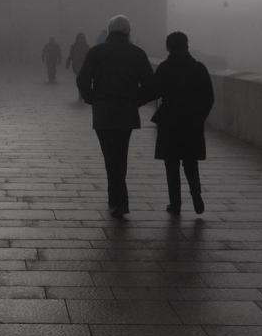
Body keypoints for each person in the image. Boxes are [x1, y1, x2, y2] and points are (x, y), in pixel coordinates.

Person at [76, 15, 154, 218]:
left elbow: (82, 80)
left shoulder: (96, 52)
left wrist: (93, 99)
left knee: (110, 157)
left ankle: (117, 201)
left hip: (103, 113)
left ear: (109, 31)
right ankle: (119, 201)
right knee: (120, 155)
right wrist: (136, 101)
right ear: (128, 32)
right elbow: (151, 87)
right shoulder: (137, 53)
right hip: (126, 113)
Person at [149, 31, 215, 215]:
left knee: (171, 164)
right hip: (192, 123)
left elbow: (153, 91)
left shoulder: (165, 68)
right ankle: (195, 193)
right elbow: (209, 97)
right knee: (190, 162)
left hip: (169, 122)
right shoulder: (199, 68)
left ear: (169, 47)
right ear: (187, 45)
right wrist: (199, 117)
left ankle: (175, 203)